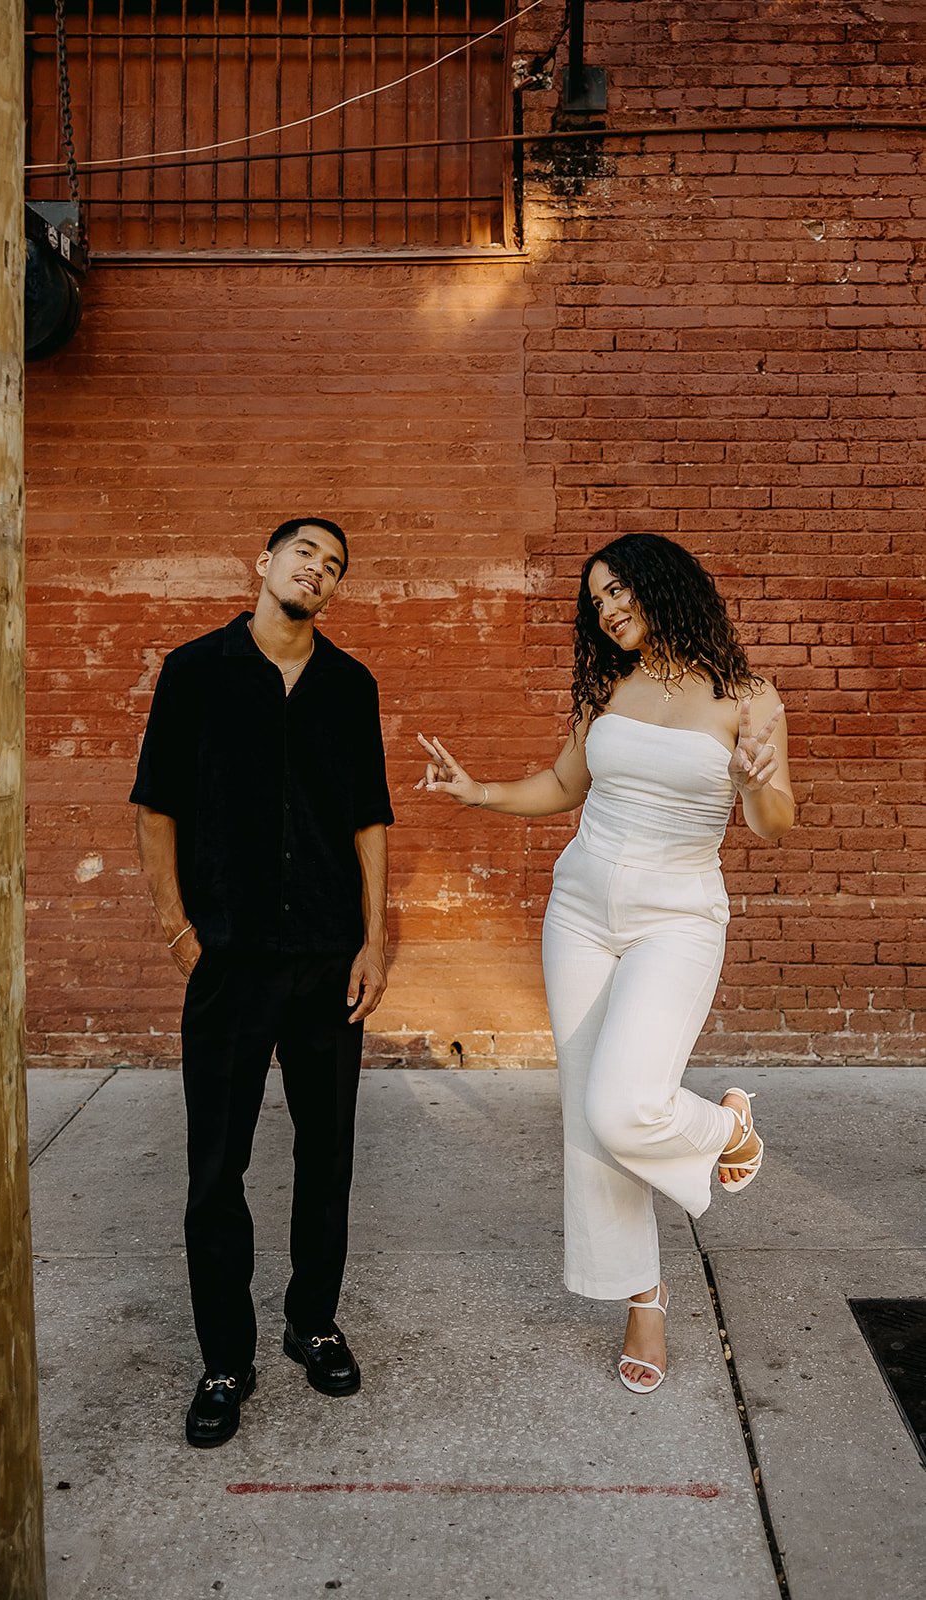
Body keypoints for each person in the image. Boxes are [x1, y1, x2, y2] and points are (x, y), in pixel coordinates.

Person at [417, 533, 794, 1395]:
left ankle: (728, 1128)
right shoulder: (607, 688)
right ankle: (644, 1298)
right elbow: (561, 785)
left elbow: (775, 825)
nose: (609, 608)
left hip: (677, 919)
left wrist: (756, 780)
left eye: (621, 589)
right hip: (579, 914)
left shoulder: (748, 696)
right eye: (596, 599)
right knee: (588, 1121)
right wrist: (478, 792)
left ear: (666, 586)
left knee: (625, 1108)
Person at [131, 517, 393, 1446]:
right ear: (263, 563)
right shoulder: (195, 671)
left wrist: (373, 939)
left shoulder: (351, 685)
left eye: (331, 567)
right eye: (303, 556)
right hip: (229, 959)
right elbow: (155, 806)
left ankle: (311, 1323)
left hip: (328, 958)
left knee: (327, 1161)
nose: (315, 572)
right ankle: (224, 1359)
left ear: (335, 590)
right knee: (216, 1172)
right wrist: (177, 931)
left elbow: (369, 821)